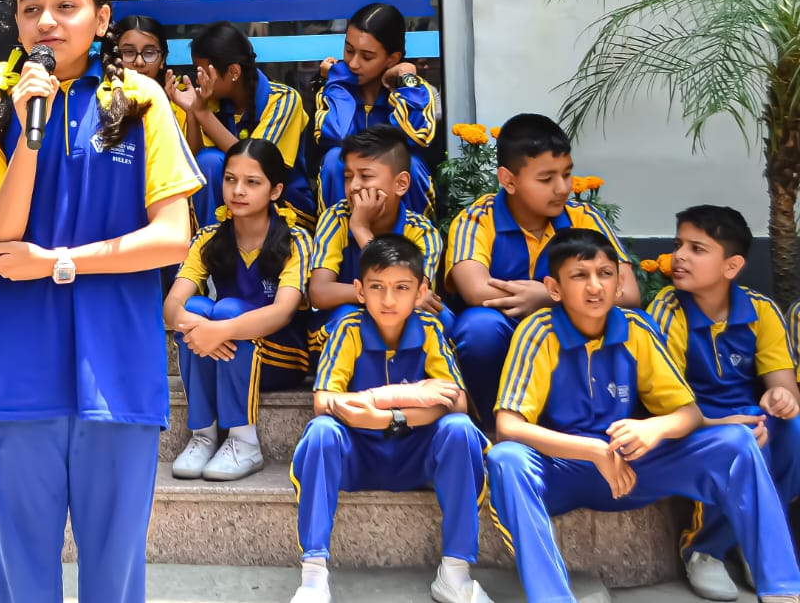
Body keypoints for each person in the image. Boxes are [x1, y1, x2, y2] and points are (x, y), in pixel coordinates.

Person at [0, 0, 203, 603]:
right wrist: (26, 136)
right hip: (17, 367)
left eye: (65, 5)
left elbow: (172, 237)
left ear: (101, 18)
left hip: (117, 367)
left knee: (115, 576)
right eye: (30, 8)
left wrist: (58, 263)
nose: (47, 21)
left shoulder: (141, 99)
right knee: (22, 574)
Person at [488, 228, 800, 603]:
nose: (595, 287)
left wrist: (655, 427)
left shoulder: (636, 329)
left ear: (620, 283)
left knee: (737, 441)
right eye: (579, 276)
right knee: (507, 458)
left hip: (633, 466)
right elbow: (508, 426)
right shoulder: (539, 332)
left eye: (605, 274)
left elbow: (687, 412)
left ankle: (782, 588)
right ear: (554, 288)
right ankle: (553, 597)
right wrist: (593, 451)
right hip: (565, 469)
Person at [290, 236, 491, 603]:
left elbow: (456, 403)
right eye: (377, 287)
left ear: (421, 292)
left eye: (401, 288)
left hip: (416, 456)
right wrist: (407, 396)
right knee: (321, 432)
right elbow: (324, 402)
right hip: (359, 456)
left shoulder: (429, 329)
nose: (388, 299)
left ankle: (455, 572)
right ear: (359, 290)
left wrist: (381, 416)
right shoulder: (349, 329)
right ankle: (313, 577)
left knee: (460, 430)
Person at [646, 205, 800, 601]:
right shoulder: (667, 309)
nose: (679, 256)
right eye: (678, 244)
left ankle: (754, 541)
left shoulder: (760, 310)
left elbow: (785, 387)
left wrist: (781, 398)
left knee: (790, 426)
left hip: (748, 417)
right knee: (742, 435)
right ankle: (704, 548)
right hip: (693, 420)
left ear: (731, 266)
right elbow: (666, 400)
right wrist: (722, 423)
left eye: (697, 249)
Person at [445, 113, 637, 419]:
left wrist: (550, 298)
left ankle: (599, 420)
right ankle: (493, 425)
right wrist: (542, 300)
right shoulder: (478, 219)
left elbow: (628, 293)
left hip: (572, 325)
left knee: (632, 321)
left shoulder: (583, 217)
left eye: (567, 174)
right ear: (508, 180)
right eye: (546, 179)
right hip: (507, 328)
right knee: (479, 327)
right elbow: (476, 290)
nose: (562, 188)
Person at [165, 139, 312, 482]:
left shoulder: (295, 240)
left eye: (252, 182)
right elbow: (171, 306)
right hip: (224, 346)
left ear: (275, 191)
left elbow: (282, 313)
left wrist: (220, 331)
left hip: (281, 356)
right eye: (230, 179)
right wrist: (194, 324)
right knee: (196, 307)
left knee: (227, 310)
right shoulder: (209, 237)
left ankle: (244, 441)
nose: (238, 190)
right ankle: (203, 435)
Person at [307, 125, 446, 339]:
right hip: (342, 332)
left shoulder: (422, 232)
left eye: (365, 176)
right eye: (348, 176)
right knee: (349, 315)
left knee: (440, 319)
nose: (354, 186)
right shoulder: (336, 219)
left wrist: (361, 229)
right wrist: (381, 292)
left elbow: (412, 297)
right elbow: (319, 292)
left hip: (400, 326)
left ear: (401, 184)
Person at [171, 21, 314, 228]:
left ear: (233, 72)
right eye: (196, 71)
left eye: (204, 72)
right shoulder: (209, 100)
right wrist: (192, 112)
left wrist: (203, 113)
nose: (199, 79)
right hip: (231, 205)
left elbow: (256, 164)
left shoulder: (284, 100)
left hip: (284, 208)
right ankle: (211, 243)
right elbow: (192, 164)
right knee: (208, 161)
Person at [314, 2, 437, 214]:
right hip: (349, 190)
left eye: (367, 56)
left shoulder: (415, 90)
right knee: (334, 159)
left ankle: (416, 234)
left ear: (392, 58)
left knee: (411, 165)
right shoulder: (335, 88)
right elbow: (336, 134)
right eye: (349, 50)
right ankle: (335, 231)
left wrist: (405, 80)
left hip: (397, 202)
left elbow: (417, 137)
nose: (353, 63)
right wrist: (339, 79)